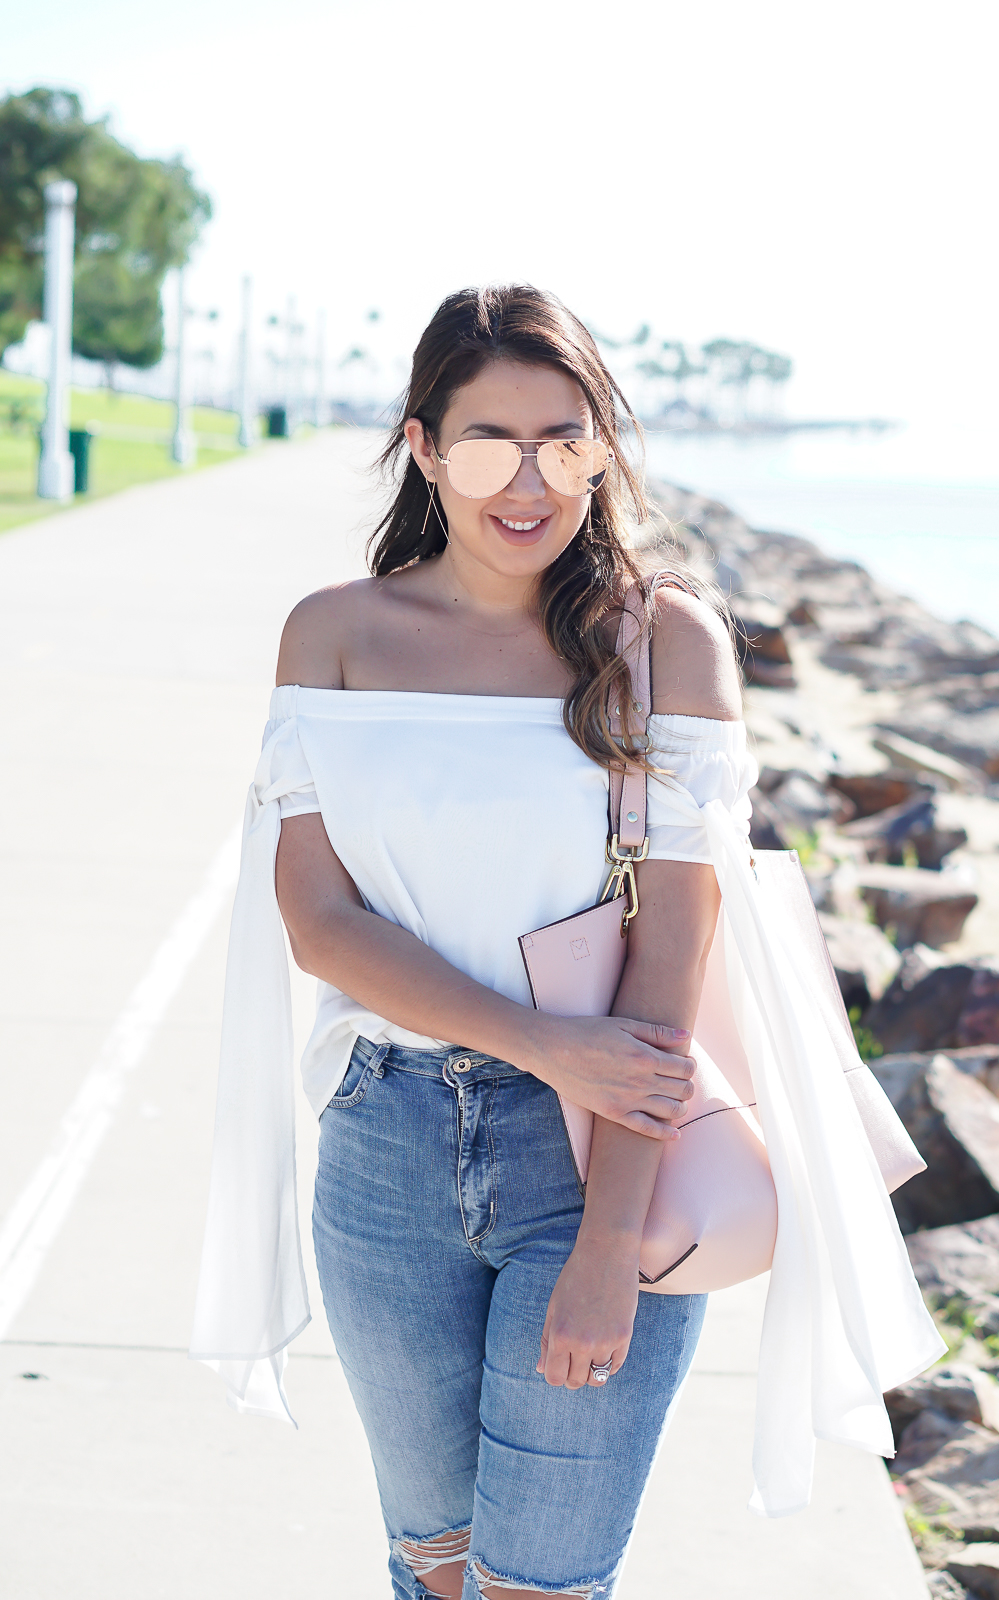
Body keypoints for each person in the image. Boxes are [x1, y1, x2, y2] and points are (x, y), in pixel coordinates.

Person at [190, 283, 943, 1598]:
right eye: (487, 442)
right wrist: (542, 1038)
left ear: (605, 445)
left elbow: (674, 951)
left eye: (565, 439)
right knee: (433, 1566)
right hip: (385, 1146)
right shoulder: (336, 637)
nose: (527, 480)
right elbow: (316, 920)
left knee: (540, 1586)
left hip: (600, 1157)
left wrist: (609, 1248)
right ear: (423, 446)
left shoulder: (664, 643)